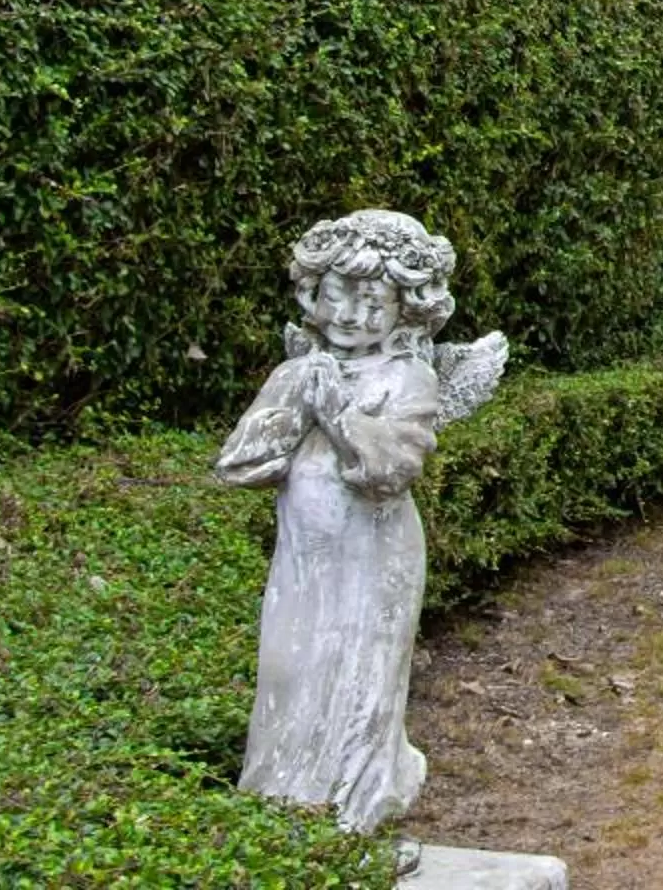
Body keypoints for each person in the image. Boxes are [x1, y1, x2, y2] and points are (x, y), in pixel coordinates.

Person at [215, 210, 504, 833]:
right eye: (336, 296)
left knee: (357, 681)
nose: (349, 315)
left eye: (371, 300)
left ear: (408, 309)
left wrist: (337, 412)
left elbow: (388, 470)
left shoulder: (408, 378)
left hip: (375, 560)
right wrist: (292, 410)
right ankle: (278, 800)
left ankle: (355, 802)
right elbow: (240, 465)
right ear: (312, 298)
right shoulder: (296, 372)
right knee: (290, 673)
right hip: (301, 562)